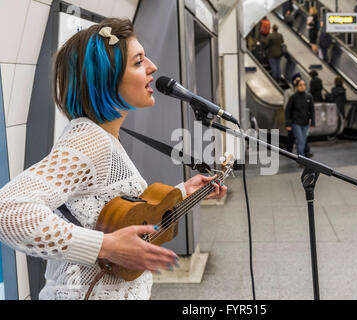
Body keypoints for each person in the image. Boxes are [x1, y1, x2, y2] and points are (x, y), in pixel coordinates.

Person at [0, 18, 227, 300]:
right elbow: (7, 210)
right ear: (107, 79)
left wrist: (181, 193)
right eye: (138, 62)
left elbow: (112, 214)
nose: (153, 67)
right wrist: (104, 246)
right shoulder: (89, 141)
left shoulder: (105, 137)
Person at [285, 80, 316, 157]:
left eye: (304, 85)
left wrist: (313, 122)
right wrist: (288, 123)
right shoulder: (293, 97)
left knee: (303, 140)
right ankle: (301, 158)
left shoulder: (309, 97)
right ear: (296, 87)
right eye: (300, 85)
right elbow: (288, 110)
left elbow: (312, 110)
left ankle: (301, 157)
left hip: (305, 123)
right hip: (296, 123)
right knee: (300, 140)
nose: (302, 87)